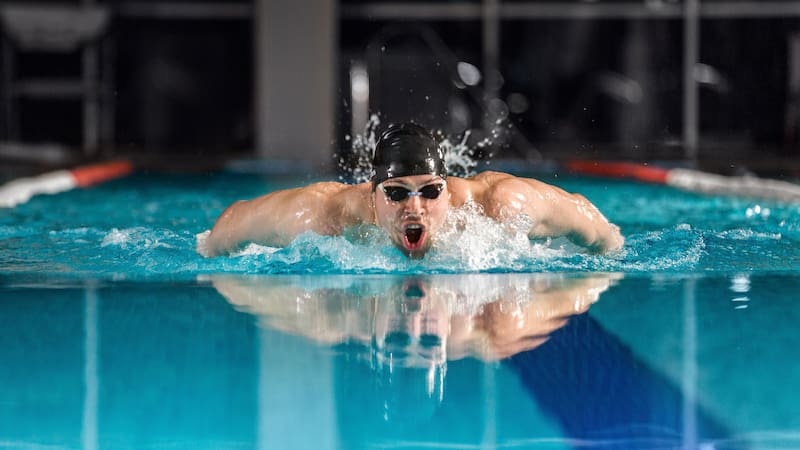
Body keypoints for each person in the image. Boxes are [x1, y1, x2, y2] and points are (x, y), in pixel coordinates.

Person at [200, 122, 624, 258]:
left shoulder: (499, 207)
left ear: (448, 189)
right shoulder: (324, 215)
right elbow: (229, 225)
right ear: (372, 195)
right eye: (397, 193)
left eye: (429, 191)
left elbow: (596, 227)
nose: (415, 208)